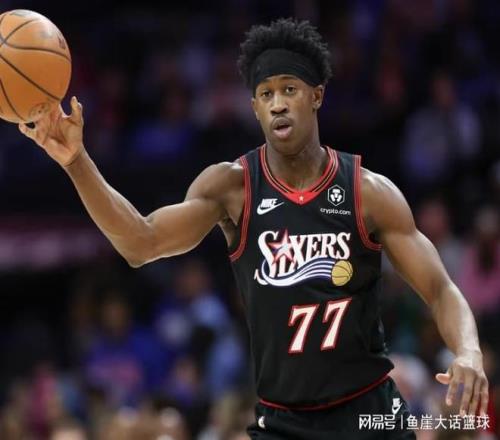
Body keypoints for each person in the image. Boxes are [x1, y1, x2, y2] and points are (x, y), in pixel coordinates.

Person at [19, 17, 489, 439]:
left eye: (290, 89)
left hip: (370, 415)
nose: (278, 104)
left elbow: (440, 289)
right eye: (266, 94)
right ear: (255, 107)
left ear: (317, 95)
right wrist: (77, 162)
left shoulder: (367, 191)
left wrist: (468, 350)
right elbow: (140, 243)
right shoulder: (232, 188)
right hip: (284, 421)